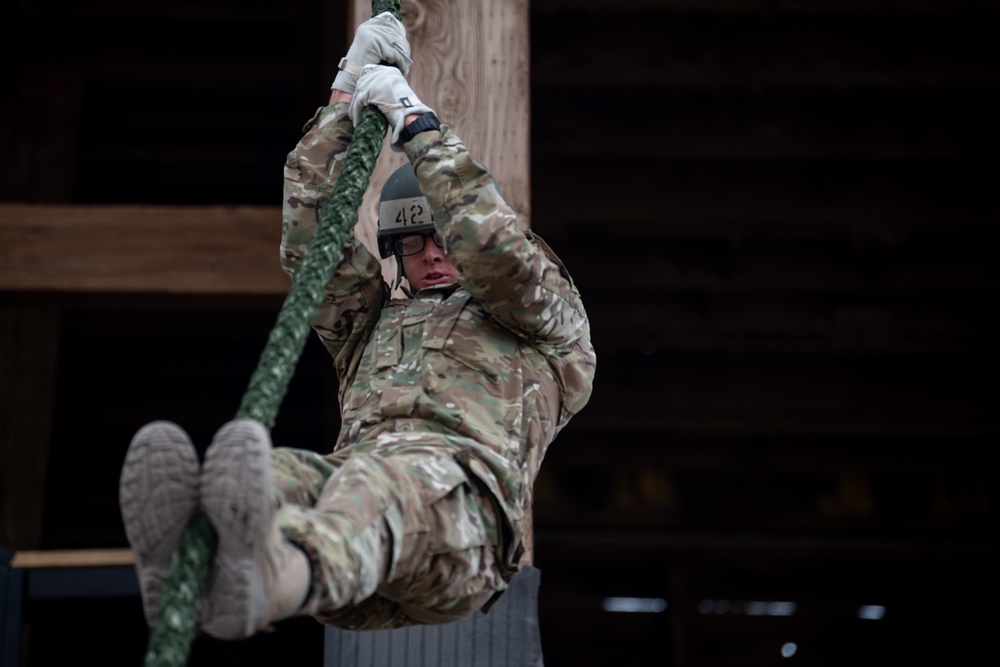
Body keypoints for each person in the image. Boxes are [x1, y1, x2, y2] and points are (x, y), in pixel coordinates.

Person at [118, 12, 595, 640]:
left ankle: (270, 574)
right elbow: (309, 242)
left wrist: (419, 127)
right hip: (361, 555)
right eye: (412, 243)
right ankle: (213, 577)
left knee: (371, 484)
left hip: (459, 529)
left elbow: (493, 248)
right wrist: (345, 97)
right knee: (276, 477)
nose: (432, 254)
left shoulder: (545, 324)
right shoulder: (372, 324)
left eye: (441, 239)